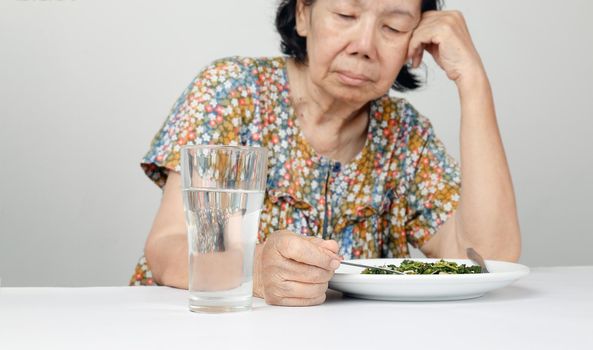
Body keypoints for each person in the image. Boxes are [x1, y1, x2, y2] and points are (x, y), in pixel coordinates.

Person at [130, 0, 521, 306]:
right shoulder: (232, 91)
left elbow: (487, 257)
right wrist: (256, 271)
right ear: (304, 14)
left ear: (416, 42)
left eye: (394, 26)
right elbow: (168, 246)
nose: (364, 46)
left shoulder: (406, 135)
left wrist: (472, 80)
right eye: (346, 13)